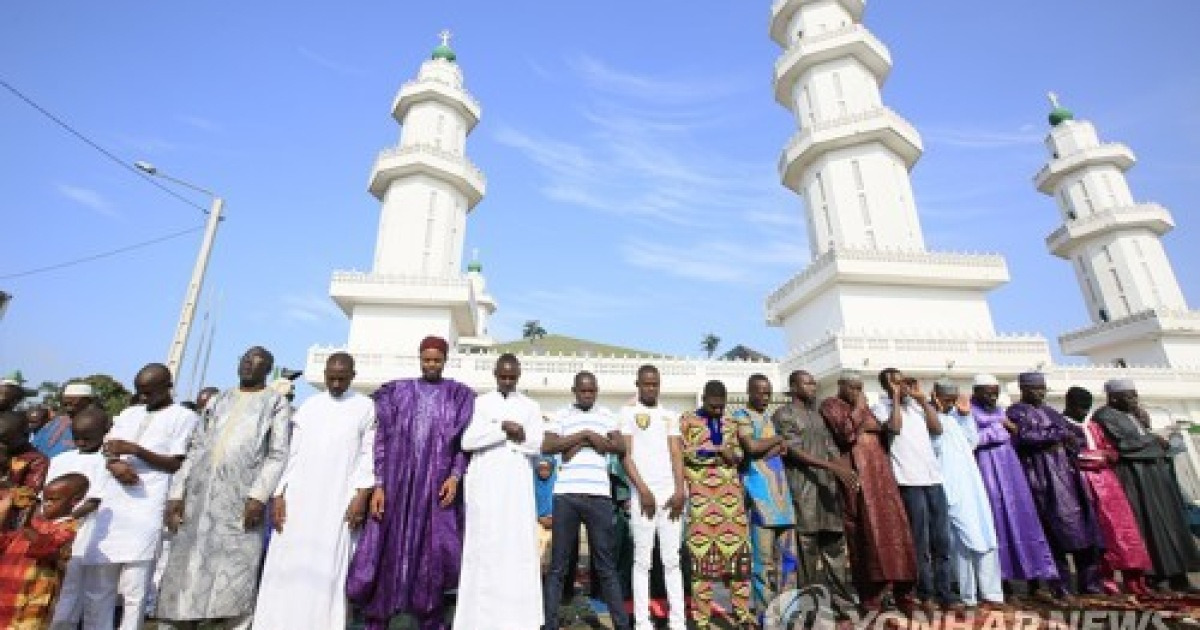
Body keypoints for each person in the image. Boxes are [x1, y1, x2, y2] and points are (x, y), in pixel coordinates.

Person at [155, 348, 290, 629]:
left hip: (239, 504)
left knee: (233, 577)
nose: (248, 365)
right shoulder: (219, 400)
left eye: (256, 362)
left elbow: (277, 454)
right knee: (186, 572)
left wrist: (258, 496)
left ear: (268, 369)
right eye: (244, 360)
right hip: (197, 501)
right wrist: (177, 494)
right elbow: (195, 448)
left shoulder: (275, 403)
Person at [347, 335, 475, 630]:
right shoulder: (398, 392)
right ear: (420, 359)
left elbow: (461, 445)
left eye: (436, 360)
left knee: (431, 551)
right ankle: (381, 614)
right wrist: (379, 484)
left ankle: (428, 616)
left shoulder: (457, 395)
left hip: (435, 488)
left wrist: (455, 478)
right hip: (397, 485)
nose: (431, 364)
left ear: (445, 361)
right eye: (426, 359)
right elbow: (380, 440)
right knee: (387, 545)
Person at [254, 352, 376, 629]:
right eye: (330, 378)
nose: (335, 384)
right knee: (287, 564)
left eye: (341, 379)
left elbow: (369, 455)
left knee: (329, 567)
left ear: (352, 376)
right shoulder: (310, 406)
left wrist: (361, 495)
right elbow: (291, 453)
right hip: (298, 500)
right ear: (323, 376)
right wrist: (279, 494)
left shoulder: (365, 407)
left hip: (339, 502)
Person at [454, 354, 545, 629]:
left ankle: (519, 619)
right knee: (484, 549)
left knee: (517, 549)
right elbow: (468, 441)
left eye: (512, 377)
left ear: (518, 376)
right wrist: (503, 429)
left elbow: (536, 443)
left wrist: (517, 437)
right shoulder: (480, 404)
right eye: (503, 376)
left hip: (516, 487)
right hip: (485, 486)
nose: (507, 381)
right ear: (495, 374)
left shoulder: (530, 406)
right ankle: (478, 619)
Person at [540, 371, 630, 630]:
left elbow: (620, 447)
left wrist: (572, 443)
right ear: (574, 390)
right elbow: (548, 446)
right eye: (583, 391)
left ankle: (622, 625)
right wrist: (586, 436)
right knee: (558, 565)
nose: (587, 395)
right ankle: (550, 624)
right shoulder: (561, 414)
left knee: (605, 566)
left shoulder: (607, 415)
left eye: (591, 391)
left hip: (599, 498)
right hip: (566, 495)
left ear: (596, 391)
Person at [1092, 379, 1200, 592]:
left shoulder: (1135, 413)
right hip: (1134, 476)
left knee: (1172, 524)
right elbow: (1123, 446)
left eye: (1135, 395)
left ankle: (1179, 575)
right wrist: (1153, 441)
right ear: (1114, 398)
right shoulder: (1105, 416)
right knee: (1148, 526)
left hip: (1155, 474)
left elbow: (1144, 438)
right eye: (1129, 396)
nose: (1135, 400)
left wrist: (1156, 440)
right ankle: (1156, 576)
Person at [820, 370, 914, 613]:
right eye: (852, 387)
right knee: (865, 535)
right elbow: (846, 433)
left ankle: (902, 591)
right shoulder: (831, 405)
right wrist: (860, 408)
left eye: (860, 388)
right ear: (841, 385)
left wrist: (894, 399)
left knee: (895, 533)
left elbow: (892, 429)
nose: (857, 392)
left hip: (882, 477)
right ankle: (870, 596)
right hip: (858, 475)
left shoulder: (867, 408)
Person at [1008, 372, 1104, 597]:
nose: (1040, 392)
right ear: (1023, 389)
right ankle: (1060, 588)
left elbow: (1074, 437)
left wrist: (1062, 438)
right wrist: (1057, 435)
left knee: (1085, 532)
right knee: (1053, 534)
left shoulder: (1051, 412)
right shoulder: (1016, 412)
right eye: (1035, 388)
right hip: (1041, 478)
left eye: (1042, 388)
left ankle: (1090, 586)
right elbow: (1025, 437)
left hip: (1068, 476)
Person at [771, 370, 855, 609]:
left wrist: (844, 471)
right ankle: (810, 605)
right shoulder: (783, 414)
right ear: (793, 386)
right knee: (806, 550)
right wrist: (831, 466)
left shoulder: (817, 416)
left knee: (835, 544)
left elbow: (831, 448)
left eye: (813, 382)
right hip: (804, 488)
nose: (813, 386)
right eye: (807, 383)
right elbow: (793, 451)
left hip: (826, 488)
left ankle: (842, 602)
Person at [969, 374, 1058, 593]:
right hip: (987, 469)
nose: (992, 397)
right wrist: (1000, 430)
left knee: (1025, 519)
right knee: (997, 523)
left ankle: (1036, 581)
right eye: (988, 393)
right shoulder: (968, 412)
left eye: (995, 392)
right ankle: (1004, 585)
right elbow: (972, 439)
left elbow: (1017, 434)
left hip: (1011, 470)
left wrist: (1009, 429)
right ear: (976, 392)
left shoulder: (1001, 411)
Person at [872, 370, 951, 612]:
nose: (902, 384)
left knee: (942, 541)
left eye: (904, 380)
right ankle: (925, 594)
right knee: (920, 543)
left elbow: (937, 429)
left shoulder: (918, 406)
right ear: (886, 385)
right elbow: (893, 429)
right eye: (896, 381)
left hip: (933, 479)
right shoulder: (881, 407)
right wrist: (896, 398)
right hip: (908, 481)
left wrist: (922, 400)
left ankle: (944, 594)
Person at [1062, 386, 1152, 596]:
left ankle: (1135, 579)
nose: (1084, 412)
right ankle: (1105, 580)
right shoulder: (1063, 426)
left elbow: (1111, 450)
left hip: (1109, 484)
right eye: (1080, 408)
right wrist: (1096, 457)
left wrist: (1104, 455)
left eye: (1087, 408)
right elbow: (1073, 456)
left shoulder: (1094, 426)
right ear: (1069, 404)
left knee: (1125, 531)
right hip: (1083, 484)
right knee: (1101, 534)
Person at [680, 380, 754, 630]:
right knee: (701, 564)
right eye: (713, 407)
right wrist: (717, 451)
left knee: (739, 562)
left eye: (721, 407)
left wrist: (728, 454)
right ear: (703, 398)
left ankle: (742, 614)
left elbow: (739, 456)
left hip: (732, 503)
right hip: (701, 501)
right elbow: (684, 453)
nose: (718, 411)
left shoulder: (732, 422)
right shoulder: (687, 420)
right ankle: (701, 619)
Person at [620, 364, 687, 630]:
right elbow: (625, 455)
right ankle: (642, 621)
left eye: (655, 384)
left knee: (672, 561)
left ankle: (678, 621)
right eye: (646, 384)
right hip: (643, 498)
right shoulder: (628, 413)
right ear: (637, 384)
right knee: (642, 562)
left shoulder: (669, 415)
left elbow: (676, 453)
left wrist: (680, 490)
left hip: (670, 497)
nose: (651, 388)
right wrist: (643, 491)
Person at [929, 382, 1003, 611]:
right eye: (946, 399)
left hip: (972, 486)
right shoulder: (929, 418)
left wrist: (965, 415)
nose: (950, 403)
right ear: (936, 396)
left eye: (953, 399)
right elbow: (935, 447)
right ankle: (968, 595)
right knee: (959, 542)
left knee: (984, 536)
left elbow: (972, 442)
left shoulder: (959, 417)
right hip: (948, 485)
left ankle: (992, 594)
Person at [732, 374, 797, 622]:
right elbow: (752, 447)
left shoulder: (769, 419)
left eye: (768, 392)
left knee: (789, 563)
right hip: (760, 502)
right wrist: (777, 440)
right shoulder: (742, 417)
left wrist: (770, 445)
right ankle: (766, 617)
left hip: (783, 502)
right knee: (763, 565)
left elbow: (776, 449)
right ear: (749, 391)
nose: (765, 397)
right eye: (760, 392)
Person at [46, 406, 112, 630]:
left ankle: (62, 625)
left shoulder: (106, 461)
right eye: (76, 438)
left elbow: (95, 500)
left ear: (105, 431)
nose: (81, 443)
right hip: (50, 528)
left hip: (85, 529)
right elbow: (45, 496)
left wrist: (67, 519)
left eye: (87, 438)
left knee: (72, 584)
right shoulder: (60, 460)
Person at [0, 472, 90, 629]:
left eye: (53, 500)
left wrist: (27, 524)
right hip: (6, 594)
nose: (46, 504)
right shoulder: (34, 524)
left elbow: (46, 548)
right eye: (45, 499)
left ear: (75, 501)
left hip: (31, 599)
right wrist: (6, 506)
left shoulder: (68, 526)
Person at [1, 410, 50, 530]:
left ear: (24, 435)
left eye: (5, 440)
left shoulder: (37, 460)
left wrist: (4, 472)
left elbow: (28, 496)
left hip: (7, 521)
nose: (1, 443)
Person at [34, 382, 93, 459]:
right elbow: (35, 447)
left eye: (73, 399)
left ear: (88, 401)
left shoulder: (97, 425)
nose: (68, 404)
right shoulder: (52, 423)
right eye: (66, 401)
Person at [534, 456, 556, 572]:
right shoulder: (532, 484)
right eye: (541, 469)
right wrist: (538, 517)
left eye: (547, 469)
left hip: (554, 523)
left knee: (551, 556)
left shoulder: (557, 483)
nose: (544, 472)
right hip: (536, 522)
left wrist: (554, 517)